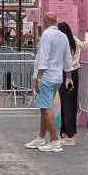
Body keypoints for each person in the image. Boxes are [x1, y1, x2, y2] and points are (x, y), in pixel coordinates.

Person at [26, 12, 71, 152]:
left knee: (46, 108)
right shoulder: (63, 36)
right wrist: (68, 76)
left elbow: (43, 58)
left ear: (45, 21)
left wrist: (38, 78)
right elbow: (67, 58)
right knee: (44, 108)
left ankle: (54, 140)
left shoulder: (46, 35)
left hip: (46, 76)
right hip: (57, 76)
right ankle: (41, 137)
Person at [57, 19, 82, 146]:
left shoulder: (64, 43)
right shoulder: (75, 41)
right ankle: (68, 133)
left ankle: (69, 135)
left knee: (66, 104)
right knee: (70, 104)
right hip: (74, 73)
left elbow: (65, 62)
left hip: (67, 74)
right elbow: (86, 45)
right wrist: (87, 33)